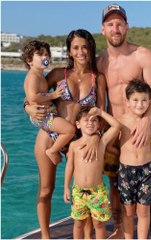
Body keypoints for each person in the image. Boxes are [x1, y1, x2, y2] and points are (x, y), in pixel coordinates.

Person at [24, 29, 106, 238]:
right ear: (69, 51)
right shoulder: (58, 74)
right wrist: (27, 107)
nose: (81, 52)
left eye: (85, 47)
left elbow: (102, 114)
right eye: (76, 47)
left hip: (80, 141)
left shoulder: (98, 78)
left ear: (91, 49)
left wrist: (96, 138)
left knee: (85, 191)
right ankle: (45, 235)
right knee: (45, 190)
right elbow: (34, 96)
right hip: (50, 135)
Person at [97, 3, 151, 238]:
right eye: (110, 24)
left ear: (127, 27)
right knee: (116, 184)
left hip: (140, 128)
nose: (116, 28)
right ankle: (121, 230)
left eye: (120, 24)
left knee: (148, 184)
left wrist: (146, 120)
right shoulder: (99, 62)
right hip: (115, 131)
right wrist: (30, 104)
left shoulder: (142, 55)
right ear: (103, 29)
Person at [117, 80, 151, 239]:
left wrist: (145, 151)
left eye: (144, 100)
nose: (140, 104)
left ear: (150, 101)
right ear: (127, 101)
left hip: (146, 171)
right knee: (129, 211)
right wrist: (123, 153)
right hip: (126, 172)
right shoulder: (120, 122)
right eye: (136, 100)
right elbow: (111, 144)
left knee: (144, 211)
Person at [64, 106, 120, 239]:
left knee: (99, 224)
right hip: (78, 191)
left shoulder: (102, 143)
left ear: (99, 124)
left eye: (94, 120)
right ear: (78, 124)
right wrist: (66, 186)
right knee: (78, 223)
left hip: (97, 192)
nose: (90, 123)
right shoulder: (74, 145)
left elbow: (116, 126)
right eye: (86, 120)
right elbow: (70, 166)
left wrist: (100, 112)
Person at [22, 40, 75, 165]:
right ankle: (52, 151)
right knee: (69, 130)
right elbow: (32, 97)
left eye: (47, 54)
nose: (45, 57)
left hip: (47, 114)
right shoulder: (33, 76)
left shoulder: (40, 75)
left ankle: (59, 147)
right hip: (43, 116)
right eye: (40, 55)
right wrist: (53, 95)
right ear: (29, 61)